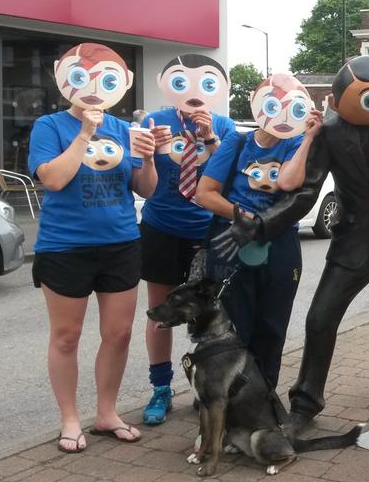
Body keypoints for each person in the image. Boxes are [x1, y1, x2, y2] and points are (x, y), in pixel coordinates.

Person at [213, 55, 369, 442]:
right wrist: (263, 225)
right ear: (344, 99)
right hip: (354, 238)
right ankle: (304, 405)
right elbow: (306, 194)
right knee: (320, 320)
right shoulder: (331, 132)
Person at [28, 43, 157, 453]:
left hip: (121, 242)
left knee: (118, 335)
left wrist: (150, 160)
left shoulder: (125, 130)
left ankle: (106, 413)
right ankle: (70, 419)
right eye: (84, 77)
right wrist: (85, 132)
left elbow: (144, 190)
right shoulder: (49, 126)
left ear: (122, 84)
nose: (95, 88)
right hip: (64, 246)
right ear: (63, 77)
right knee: (67, 336)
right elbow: (53, 179)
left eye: (107, 79)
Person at [194, 73, 319, 389]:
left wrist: (307, 139)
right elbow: (205, 192)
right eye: (275, 105)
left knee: (272, 328)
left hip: (280, 244)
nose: (280, 114)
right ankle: (222, 401)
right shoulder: (237, 142)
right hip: (232, 241)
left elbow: (288, 183)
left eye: (292, 106)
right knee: (232, 327)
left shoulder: (296, 145)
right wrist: (243, 214)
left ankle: (262, 403)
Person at [138, 55, 236, 426]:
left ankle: (208, 387)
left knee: (216, 312)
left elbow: (225, 179)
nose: (194, 92)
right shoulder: (154, 122)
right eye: (183, 83)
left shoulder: (225, 127)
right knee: (159, 312)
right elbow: (140, 176)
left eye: (206, 85)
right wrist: (148, 150)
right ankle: (160, 388)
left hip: (209, 232)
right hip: (161, 227)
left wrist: (210, 138)